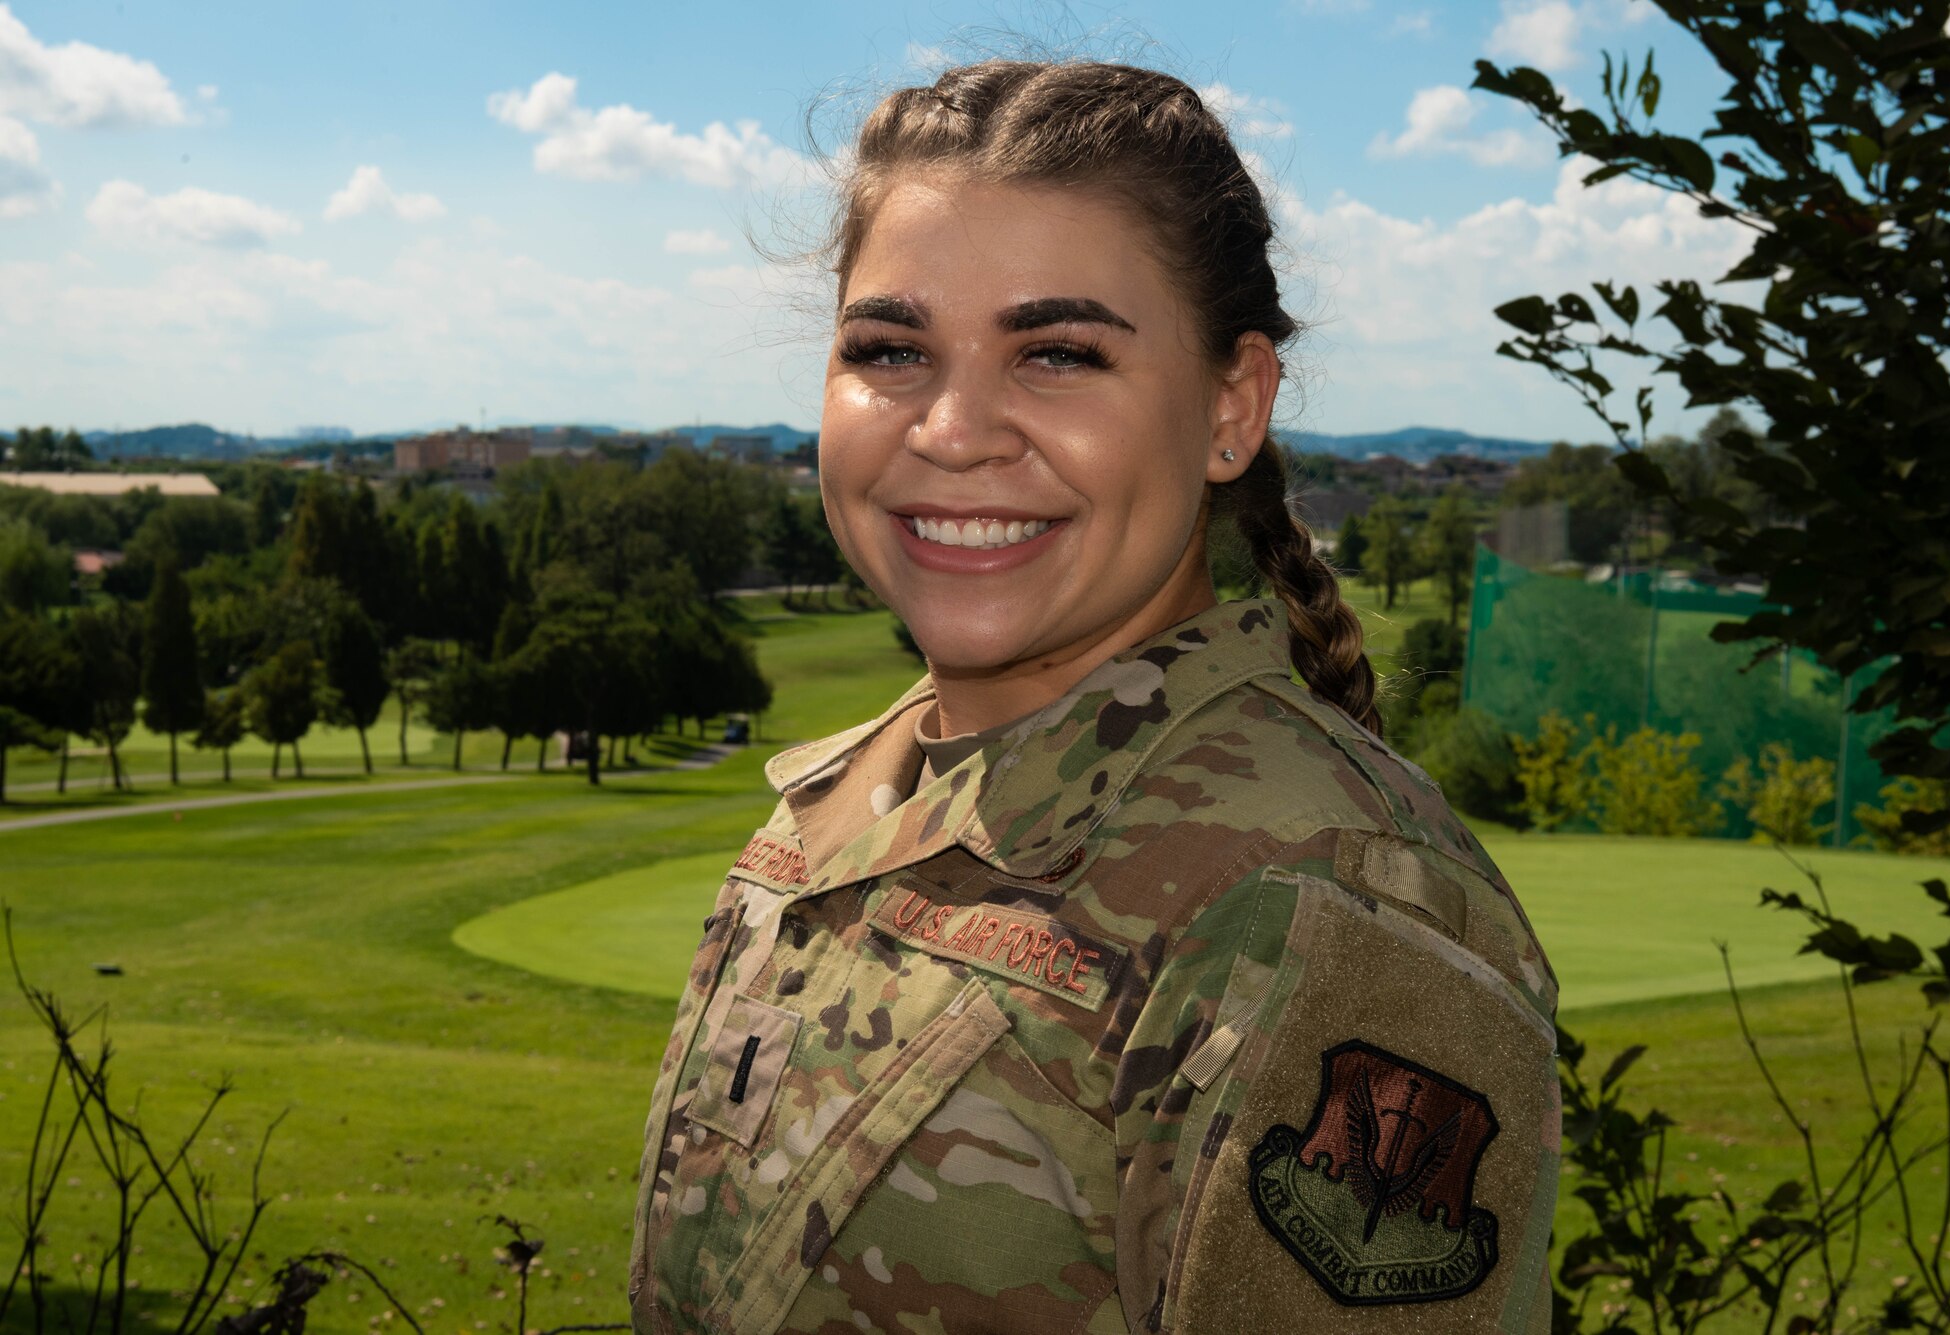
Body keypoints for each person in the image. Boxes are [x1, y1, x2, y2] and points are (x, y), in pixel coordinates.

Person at [630, 59, 1559, 1335]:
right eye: (889, 348)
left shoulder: (1312, 892)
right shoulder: (842, 800)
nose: (953, 429)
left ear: (1231, 410)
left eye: (1057, 353)